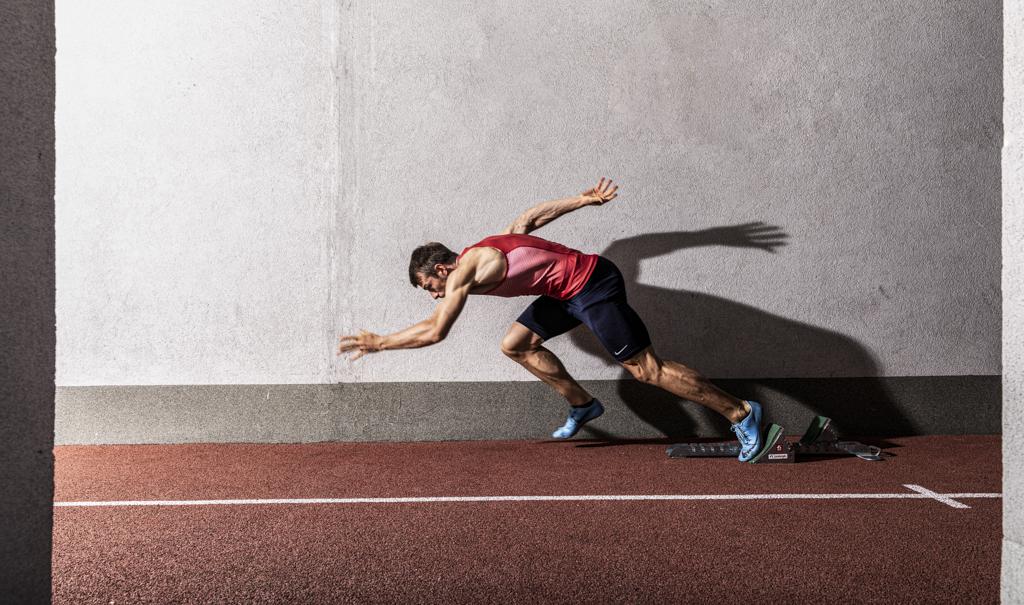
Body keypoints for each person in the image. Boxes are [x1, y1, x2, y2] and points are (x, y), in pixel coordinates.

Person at [337, 178, 766, 461]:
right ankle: (584, 404)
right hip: (562, 294)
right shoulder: (484, 249)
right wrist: (581, 200)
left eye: (429, 286)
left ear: (444, 270)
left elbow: (436, 331)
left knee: (645, 370)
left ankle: (741, 412)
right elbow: (531, 217)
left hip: (592, 284)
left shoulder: (469, 269)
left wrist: (381, 343)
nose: (432, 295)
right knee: (515, 343)